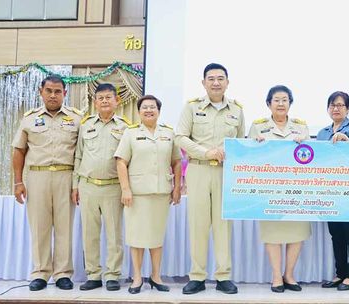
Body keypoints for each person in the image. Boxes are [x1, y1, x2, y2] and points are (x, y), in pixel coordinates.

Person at [175, 63, 245, 295]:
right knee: (198, 224)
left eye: (220, 78)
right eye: (211, 78)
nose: (216, 82)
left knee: (223, 225)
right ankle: (197, 276)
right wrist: (206, 152)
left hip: (225, 173)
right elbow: (180, 137)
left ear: (227, 82)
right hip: (199, 169)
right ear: (203, 82)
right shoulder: (192, 107)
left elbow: (241, 141)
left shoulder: (237, 110)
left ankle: (223, 276)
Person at [11, 75, 82, 291]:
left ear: (65, 94)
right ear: (41, 91)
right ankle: (40, 272)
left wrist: (77, 184)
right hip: (37, 177)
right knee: (40, 226)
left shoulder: (77, 119)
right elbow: (18, 151)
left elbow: (82, 153)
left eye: (58, 91)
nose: (53, 95)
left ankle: (62, 273)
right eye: (49, 90)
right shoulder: (29, 119)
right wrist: (17, 182)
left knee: (64, 227)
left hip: (66, 177)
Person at [114, 95, 182, 294]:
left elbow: (176, 161)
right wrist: (125, 188)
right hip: (137, 194)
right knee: (136, 237)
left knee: (156, 237)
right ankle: (136, 277)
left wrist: (177, 187)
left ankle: (156, 276)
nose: (149, 110)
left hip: (161, 193)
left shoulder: (169, 133)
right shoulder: (131, 133)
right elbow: (120, 162)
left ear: (159, 111)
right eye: (145, 107)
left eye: (153, 107)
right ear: (139, 111)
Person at [248, 85, 311, 293]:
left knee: (297, 231)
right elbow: (249, 157)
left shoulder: (301, 127)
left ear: (290, 104)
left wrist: (306, 144)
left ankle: (289, 275)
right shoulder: (258, 127)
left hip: (296, 189)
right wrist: (255, 145)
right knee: (273, 233)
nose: (281, 103)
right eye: (277, 100)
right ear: (269, 104)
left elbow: (312, 158)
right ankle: (276, 276)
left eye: (285, 100)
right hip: (270, 190)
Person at [72, 83, 130, 291]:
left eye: (109, 97)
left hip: (113, 187)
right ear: (95, 102)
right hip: (87, 186)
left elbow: (128, 159)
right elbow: (78, 155)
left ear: (117, 101)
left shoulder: (126, 127)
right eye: (100, 98)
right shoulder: (86, 125)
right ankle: (94, 275)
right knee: (90, 233)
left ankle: (113, 274)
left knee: (114, 234)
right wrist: (75, 185)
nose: (105, 101)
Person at [317, 91, 349, 291]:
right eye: (332, 105)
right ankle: (340, 273)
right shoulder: (321, 133)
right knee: (336, 234)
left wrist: (348, 141)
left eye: (340, 105)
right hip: (329, 191)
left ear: (348, 109)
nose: (336, 108)